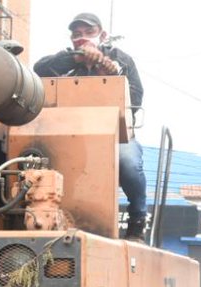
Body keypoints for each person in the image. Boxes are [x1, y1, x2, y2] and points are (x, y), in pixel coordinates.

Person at [33, 13, 148, 239]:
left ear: (102, 35)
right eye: (77, 34)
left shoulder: (121, 60)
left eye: (89, 32)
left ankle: (138, 218)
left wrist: (111, 74)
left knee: (129, 163)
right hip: (70, 135)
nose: (83, 38)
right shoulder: (62, 63)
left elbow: (135, 98)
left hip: (117, 135)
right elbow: (38, 70)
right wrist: (74, 59)